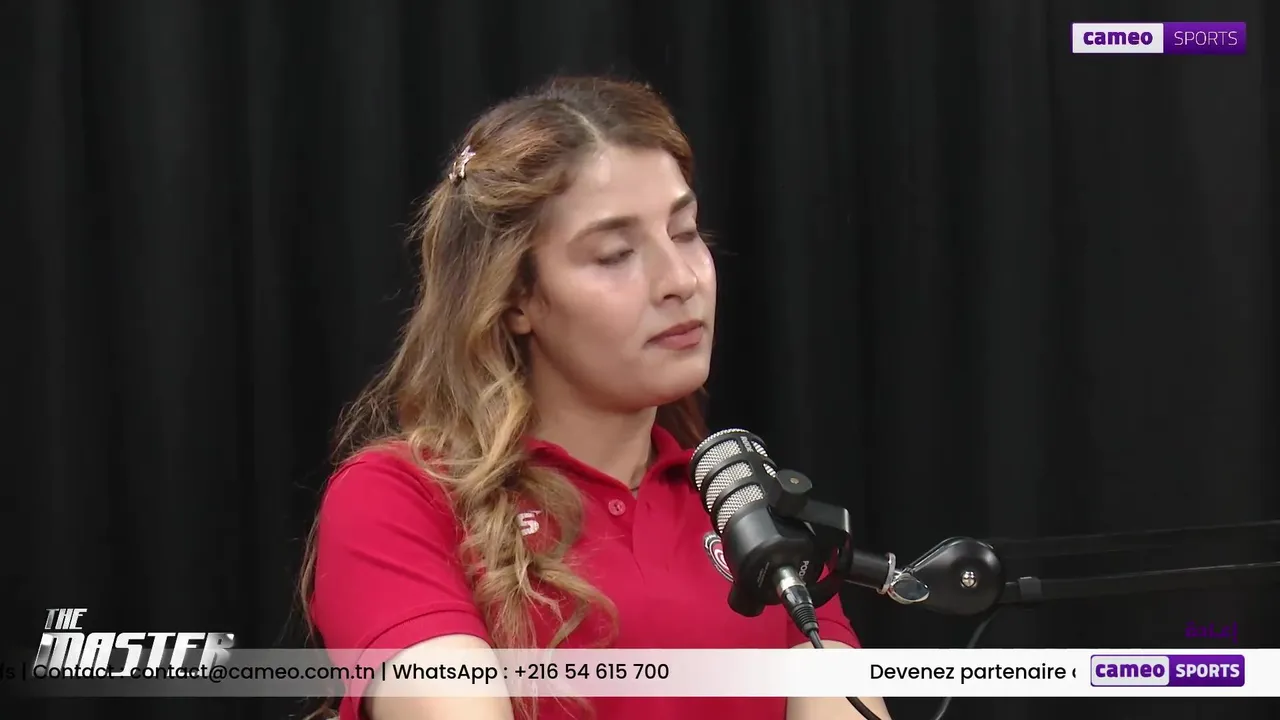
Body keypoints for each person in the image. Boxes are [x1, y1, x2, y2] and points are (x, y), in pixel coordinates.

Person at [299, 76, 892, 720]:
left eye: (685, 232)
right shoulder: (402, 497)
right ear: (516, 297)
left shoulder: (753, 512)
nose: (680, 280)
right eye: (615, 254)